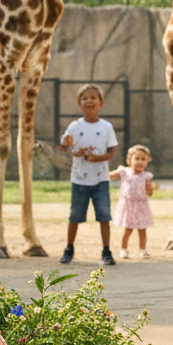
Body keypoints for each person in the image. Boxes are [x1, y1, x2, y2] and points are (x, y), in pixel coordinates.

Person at [58, 83, 117, 267]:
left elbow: (111, 153)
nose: (89, 101)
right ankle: (69, 249)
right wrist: (70, 149)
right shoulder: (74, 126)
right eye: (85, 98)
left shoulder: (106, 127)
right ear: (79, 103)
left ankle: (106, 250)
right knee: (74, 216)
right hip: (79, 179)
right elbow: (63, 147)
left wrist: (97, 158)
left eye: (93, 97)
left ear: (100, 102)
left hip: (100, 179)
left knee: (104, 216)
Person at [110, 144, 155, 258]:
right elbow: (109, 176)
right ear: (129, 160)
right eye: (137, 159)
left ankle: (142, 250)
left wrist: (150, 187)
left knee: (142, 230)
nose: (140, 162)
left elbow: (149, 193)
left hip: (141, 206)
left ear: (148, 161)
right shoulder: (125, 172)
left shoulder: (147, 176)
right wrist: (117, 170)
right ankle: (123, 249)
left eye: (143, 159)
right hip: (129, 206)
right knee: (128, 229)